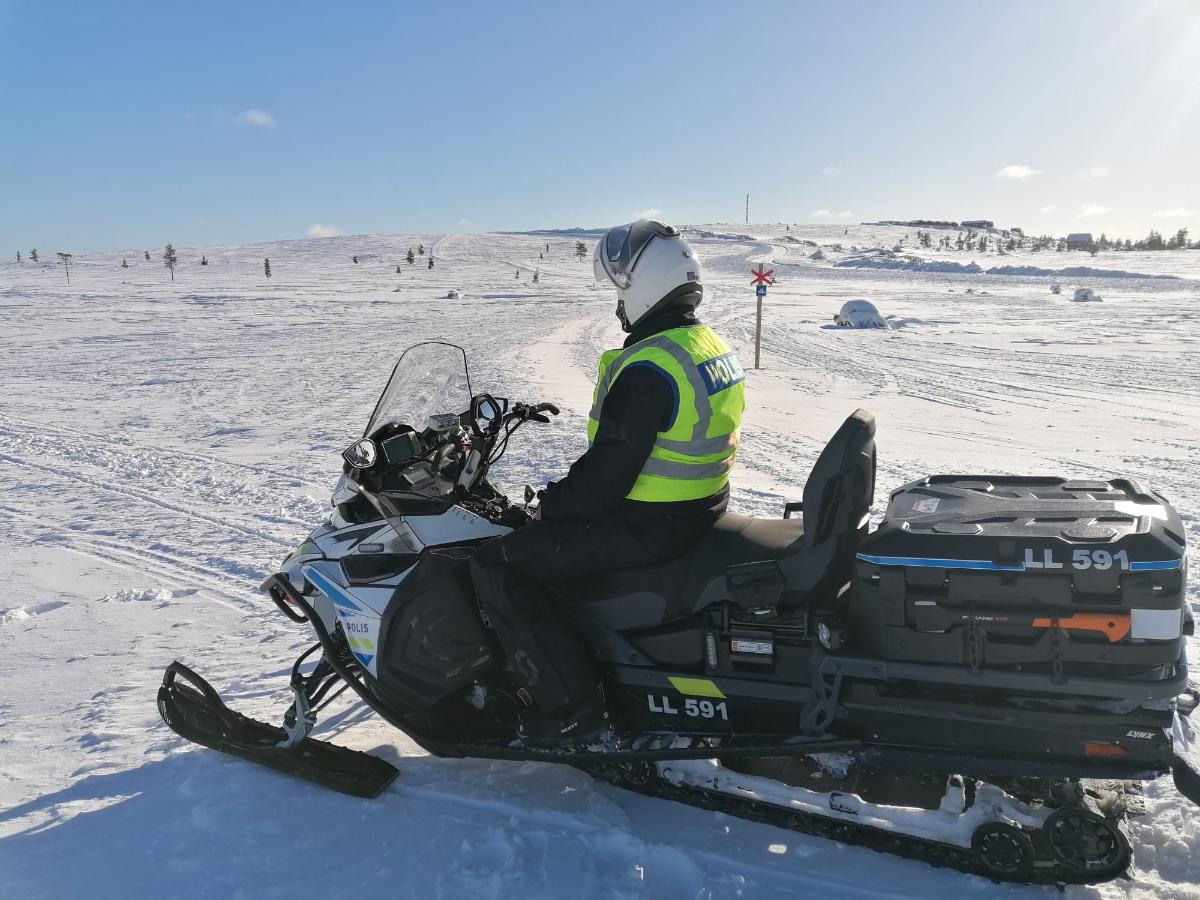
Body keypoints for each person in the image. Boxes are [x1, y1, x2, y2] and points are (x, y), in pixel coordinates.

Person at [471, 220, 746, 742]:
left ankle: (575, 713)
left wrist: (547, 507)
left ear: (644, 286)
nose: (618, 307)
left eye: (619, 293)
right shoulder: (703, 343)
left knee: (499, 565)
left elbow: (603, 481)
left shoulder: (650, 367)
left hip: (649, 523)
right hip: (698, 506)